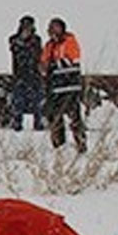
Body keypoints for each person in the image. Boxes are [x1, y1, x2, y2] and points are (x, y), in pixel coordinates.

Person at [41, 17, 87, 152]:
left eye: (55, 27)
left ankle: (81, 144)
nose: (52, 30)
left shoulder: (70, 41)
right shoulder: (49, 45)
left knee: (74, 117)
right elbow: (43, 62)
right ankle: (59, 146)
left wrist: (54, 65)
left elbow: (73, 60)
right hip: (54, 88)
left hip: (70, 87)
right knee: (54, 117)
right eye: (51, 27)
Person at [9, 16, 45, 132]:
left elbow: (37, 54)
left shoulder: (36, 40)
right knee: (18, 102)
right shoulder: (14, 40)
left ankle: (38, 124)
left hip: (34, 76)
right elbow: (15, 51)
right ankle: (17, 123)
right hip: (20, 75)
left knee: (37, 103)